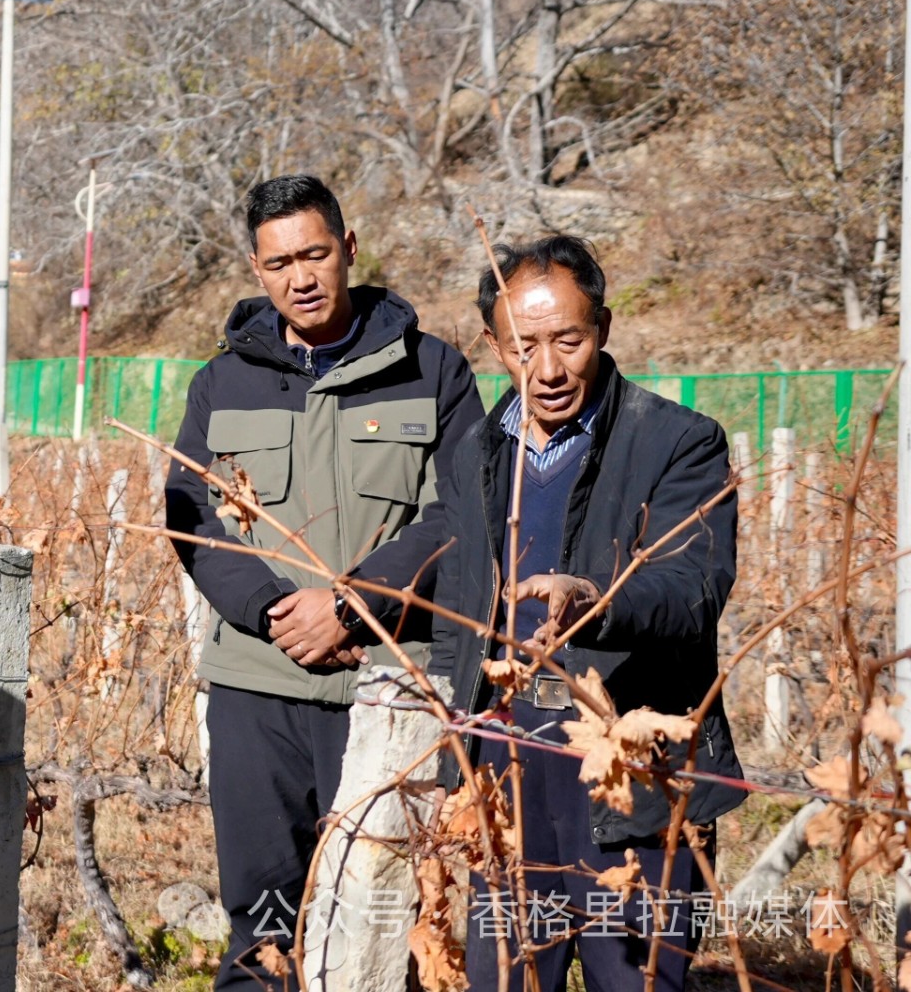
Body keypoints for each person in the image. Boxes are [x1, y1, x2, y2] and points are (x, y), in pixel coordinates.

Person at [164, 175, 483, 989]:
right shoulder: (222, 381)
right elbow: (192, 516)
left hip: (389, 682)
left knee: (383, 909)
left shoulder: (432, 370)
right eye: (278, 264)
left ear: (347, 249)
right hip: (257, 686)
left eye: (314, 255)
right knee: (263, 919)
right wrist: (274, 610)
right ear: (255, 268)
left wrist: (350, 605)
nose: (299, 278)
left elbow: (463, 515)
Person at [427, 235, 743, 991]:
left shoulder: (677, 442)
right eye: (523, 346)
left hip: (626, 763)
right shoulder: (472, 451)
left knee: (632, 974)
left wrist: (596, 603)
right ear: (492, 345)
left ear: (602, 326)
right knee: (503, 974)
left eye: (568, 340)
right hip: (506, 757)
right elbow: (458, 601)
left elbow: (693, 586)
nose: (547, 369)